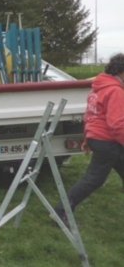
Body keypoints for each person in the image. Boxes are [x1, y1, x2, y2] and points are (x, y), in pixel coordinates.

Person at [54, 53, 124, 224]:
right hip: (108, 142)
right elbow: (117, 124)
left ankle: (62, 210)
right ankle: (61, 211)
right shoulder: (115, 91)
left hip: (99, 139)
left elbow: (90, 116)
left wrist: (88, 138)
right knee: (94, 179)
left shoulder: (97, 89)